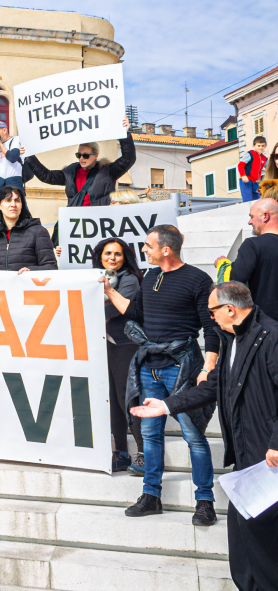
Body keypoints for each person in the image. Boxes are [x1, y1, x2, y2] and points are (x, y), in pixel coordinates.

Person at [132, 282, 278, 589]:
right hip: (245, 452)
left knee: (262, 537)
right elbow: (213, 386)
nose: (210, 317)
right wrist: (166, 406)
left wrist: (276, 443)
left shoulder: (271, 336)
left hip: (267, 456)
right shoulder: (232, 338)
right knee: (241, 538)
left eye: (212, 311)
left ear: (230, 309)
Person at [101, 224, 218, 525]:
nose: (143, 250)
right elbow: (135, 313)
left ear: (166, 249)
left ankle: (205, 501)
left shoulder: (198, 280)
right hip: (148, 368)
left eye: (148, 245)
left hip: (182, 367)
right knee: (151, 436)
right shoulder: (151, 276)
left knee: (194, 436)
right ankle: (151, 496)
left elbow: (212, 328)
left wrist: (207, 368)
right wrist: (109, 291)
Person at [92, 238, 144, 474]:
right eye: (107, 253)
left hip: (124, 345)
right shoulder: (92, 277)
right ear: (99, 256)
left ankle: (143, 452)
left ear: (125, 258)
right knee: (112, 400)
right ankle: (121, 452)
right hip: (102, 344)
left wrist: (90, 312)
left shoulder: (130, 279)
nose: (112, 258)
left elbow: (115, 309)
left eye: (118, 254)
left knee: (128, 398)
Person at [25, 119, 136, 207]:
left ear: (96, 155)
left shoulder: (108, 171)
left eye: (86, 155)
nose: (82, 158)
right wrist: (28, 155)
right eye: (79, 155)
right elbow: (46, 176)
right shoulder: (70, 172)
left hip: (98, 221)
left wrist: (125, 134)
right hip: (75, 221)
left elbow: (128, 159)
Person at [216, 198, 278, 321]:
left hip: (265, 323)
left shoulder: (253, 245)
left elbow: (234, 281)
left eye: (252, 216)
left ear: (265, 216)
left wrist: (222, 264)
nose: (249, 222)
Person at [0, 186, 56, 273]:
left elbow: (51, 266)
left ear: (22, 205)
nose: (13, 204)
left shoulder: (38, 232)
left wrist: (30, 271)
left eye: (17, 200)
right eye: (8, 200)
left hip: (29, 282)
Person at [0, 121, 24, 190]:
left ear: (5, 130)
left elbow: (12, 157)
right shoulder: (0, 145)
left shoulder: (15, 139)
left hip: (13, 178)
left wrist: (0, 145)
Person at [238, 136, 268, 202]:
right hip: (246, 179)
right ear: (254, 146)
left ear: (265, 147)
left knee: (259, 198)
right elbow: (240, 165)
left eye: (263, 146)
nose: (260, 147)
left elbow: (269, 168)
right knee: (248, 199)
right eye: (258, 146)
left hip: (255, 181)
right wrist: (243, 175)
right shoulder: (250, 154)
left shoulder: (264, 158)